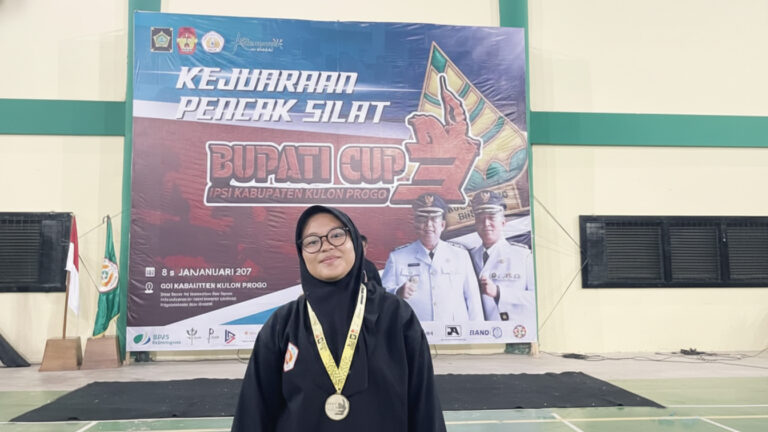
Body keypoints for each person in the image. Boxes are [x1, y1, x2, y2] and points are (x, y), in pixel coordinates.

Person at [231, 205, 446, 432]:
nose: (326, 246)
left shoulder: (396, 316)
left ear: (354, 242)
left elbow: (424, 406)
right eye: (312, 241)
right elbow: (254, 413)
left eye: (336, 235)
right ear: (302, 254)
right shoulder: (282, 324)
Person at [381, 193, 483, 322]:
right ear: (415, 224)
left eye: (434, 219)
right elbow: (382, 297)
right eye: (423, 219)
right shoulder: (398, 258)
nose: (428, 225)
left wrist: (477, 331)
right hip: (414, 331)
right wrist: (397, 292)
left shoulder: (460, 255)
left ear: (442, 225)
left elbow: (473, 300)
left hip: (454, 331)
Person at [469, 190, 535, 326]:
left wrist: (499, 292)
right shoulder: (469, 256)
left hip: (512, 330)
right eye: (481, 218)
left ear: (503, 223)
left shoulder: (523, 256)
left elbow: (537, 299)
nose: (486, 223)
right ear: (475, 224)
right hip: (476, 331)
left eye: (492, 218)